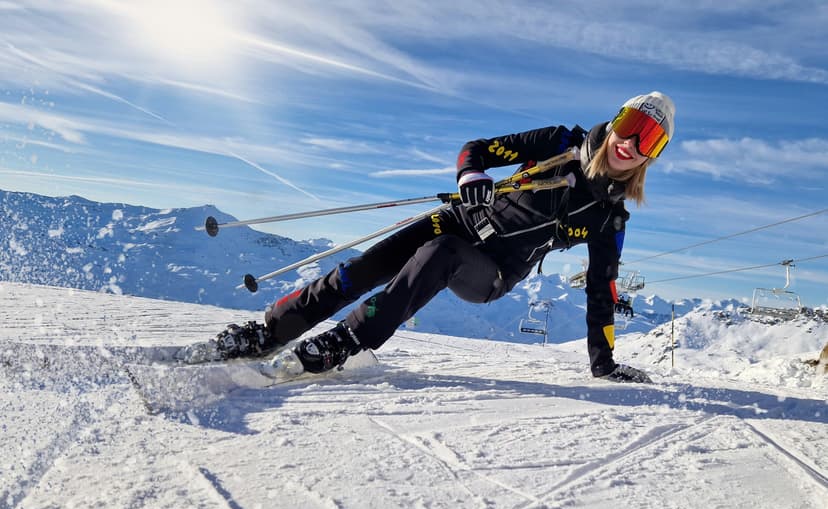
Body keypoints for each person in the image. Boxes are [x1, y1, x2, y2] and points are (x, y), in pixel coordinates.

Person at [212, 91, 675, 382]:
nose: (631, 144)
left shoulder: (609, 220)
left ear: (650, 158)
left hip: (492, 273)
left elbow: (602, 291)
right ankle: (270, 332)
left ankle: (348, 342)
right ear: (616, 120)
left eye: (649, 140)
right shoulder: (558, 143)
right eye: (632, 126)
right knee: (362, 269)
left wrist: (605, 364)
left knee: (441, 253)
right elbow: (477, 150)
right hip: (460, 221)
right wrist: (470, 174)